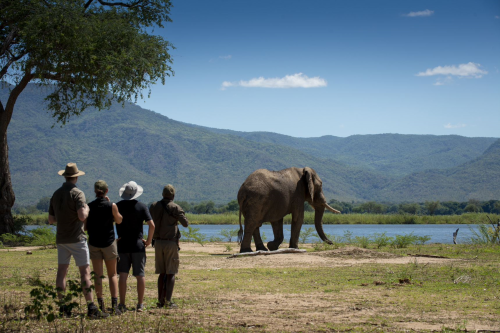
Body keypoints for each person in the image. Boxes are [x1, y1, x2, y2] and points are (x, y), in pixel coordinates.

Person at [48, 163, 108, 319]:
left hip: (61, 238)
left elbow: (51, 219)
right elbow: (82, 216)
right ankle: (91, 307)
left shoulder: (55, 194)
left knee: (62, 272)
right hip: (77, 239)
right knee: (85, 273)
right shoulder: (77, 193)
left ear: (65, 176)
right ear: (76, 177)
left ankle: (63, 307)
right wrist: (87, 209)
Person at [115, 181, 155, 313]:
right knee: (140, 275)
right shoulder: (142, 206)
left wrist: (114, 239)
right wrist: (148, 241)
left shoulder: (117, 206)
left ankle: (121, 303)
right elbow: (152, 225)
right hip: (138, 245)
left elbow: (109, 221)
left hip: (122, 245)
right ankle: (140, 304)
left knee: (123, 275)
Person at [86, 180, 123, 315]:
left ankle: (100, 304)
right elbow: (119, 220)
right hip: (108, 243)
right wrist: (112, 207)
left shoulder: (89, 206)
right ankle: (114, 306)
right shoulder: (111, 205)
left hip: (94, 243)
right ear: (106, 191)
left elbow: (85, 227)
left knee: (98, 275)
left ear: (95, 191)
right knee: (112, 274)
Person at [149, 184, 189, 309]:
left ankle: (160, 300)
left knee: (162, 273)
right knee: (171, 272)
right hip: (170, 243)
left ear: (163, 194)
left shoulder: (154, 206)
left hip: (158, 243)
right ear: (173, 195)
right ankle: (168, 301)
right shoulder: (175, 207)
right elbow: (185, 224)